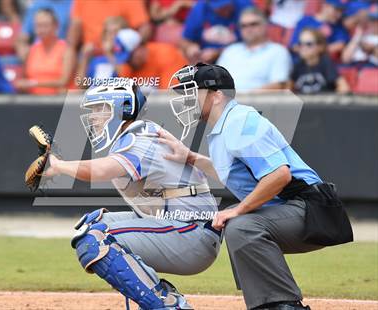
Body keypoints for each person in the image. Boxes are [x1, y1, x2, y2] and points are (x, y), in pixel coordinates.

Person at [159, 63, 353, 310]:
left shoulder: (240, 121)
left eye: (191, 91)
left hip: (314, 208)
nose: (185, 99)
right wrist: (191, 158)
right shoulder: (227, 125)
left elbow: (279, 176)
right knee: (241, 224)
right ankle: (269, 303)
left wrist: (238, 210)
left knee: (242, 224)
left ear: (217, 95)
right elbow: (236, 173)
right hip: (297, 208)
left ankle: (283, 305)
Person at [43, 78, 221, 310]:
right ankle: (156, 297)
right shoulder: (136, 135)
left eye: (100, 108)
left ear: (123, 107)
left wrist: (58, 165)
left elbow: (102, 170)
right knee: (97, 222)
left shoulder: (139, 139)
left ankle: (168, 305)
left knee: (95, 240)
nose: (94, 116)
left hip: (192, 233)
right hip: (182, 225)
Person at [216, 7, 292, 92]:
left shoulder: (278, 51)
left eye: (253, 24)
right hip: (226, 102)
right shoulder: (230, 51)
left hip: (260, 103)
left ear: (265, 25)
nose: (248, 29)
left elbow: (279, 85)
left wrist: (243, 98)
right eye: (243, 26)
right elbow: (216, 83)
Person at [15, 9, 75, 95]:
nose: (41, 30)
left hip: (58, 101)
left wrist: (34, 84)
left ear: (56, 26)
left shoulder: (67, 50)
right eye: (38, 26)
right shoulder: (31, 50)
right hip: (33, 100)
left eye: (45, 25)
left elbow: (63, 82)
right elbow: (24, 79)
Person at [181, 0, 253, 63]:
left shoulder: (245, 6)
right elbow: (185, 40)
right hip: (205, 61)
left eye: (226, 5)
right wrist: (191, 48)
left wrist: (219, 53)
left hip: (239, 58)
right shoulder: (200, 8)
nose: (225, 9)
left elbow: (255, 42)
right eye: (220, 7)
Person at [114, 28, 187, 90]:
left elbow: (171, 95)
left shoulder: (166, 55)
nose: (128, 63)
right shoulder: (127, 65)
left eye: (129, 58)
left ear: (139, 48)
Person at [67, 0, 151, 52]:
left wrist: (131, 47)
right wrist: (72, 49)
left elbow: (144, 27)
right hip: (90, 52)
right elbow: (75, 25)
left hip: (119, 53)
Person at [290, 28, 350, 94]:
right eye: (300, 44)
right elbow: (289, 89)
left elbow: (343, 87)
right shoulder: (297, 66)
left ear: (320, 47)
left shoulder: (326, 63)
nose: (303, 48)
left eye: (308, 44)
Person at [76, 16, 128, 85]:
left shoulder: (126, 55)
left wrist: (109, 53)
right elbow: (80, 84)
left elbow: (125, 77)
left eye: (116, 32)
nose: (112, 36)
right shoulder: (95, 59)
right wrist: (85, 58)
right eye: (109, 33)